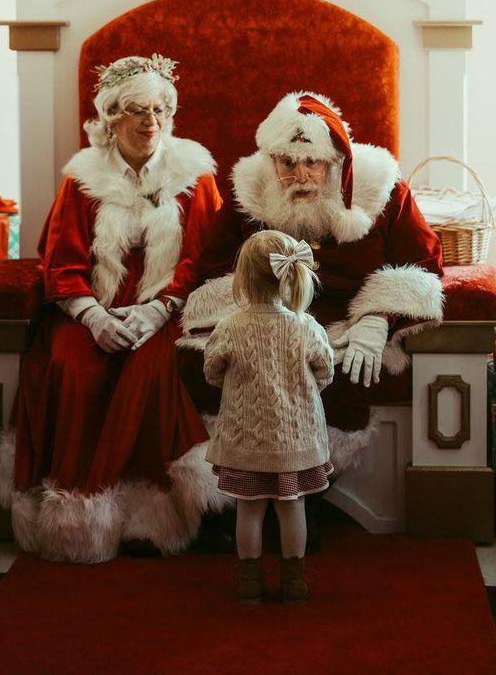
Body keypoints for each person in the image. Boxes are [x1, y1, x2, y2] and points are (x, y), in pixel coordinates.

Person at [0, 54, 229, 563]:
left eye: (161, 109)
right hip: (92, 305)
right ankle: (79, 520)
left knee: (149, 368)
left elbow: (204, 257)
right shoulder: (83, 179)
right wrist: (94, 317)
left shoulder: (194, 175)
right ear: (110, 119)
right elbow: (61, 259)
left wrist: (158, 310)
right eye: (137, 110)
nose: (152, 121)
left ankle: (150, 520)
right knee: (70, 366)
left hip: (167, 306)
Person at [179, 91, 444, 473]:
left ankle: (311, 494)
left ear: (335, 162)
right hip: (262, 319)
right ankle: (232, 493)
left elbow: (423, 261)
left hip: (345, 327)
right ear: (271, 160)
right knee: (197, 365)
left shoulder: (382, 188)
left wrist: (377, 319)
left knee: (346, 378)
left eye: (312, 163)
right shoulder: (250, 194)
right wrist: (251, 323)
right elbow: (214, 270)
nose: (300, 175)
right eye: (287, 162)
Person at [204, 230, 334, 604]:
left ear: (242, 279)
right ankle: (293, 580)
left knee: (249, 510)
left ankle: (249, 579)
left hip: (247, 440)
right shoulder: (305, 326)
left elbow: (212, 371)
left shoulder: (230, 326)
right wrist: (301, 396)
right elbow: (324, 371)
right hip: (295, 440)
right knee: (293, 508)